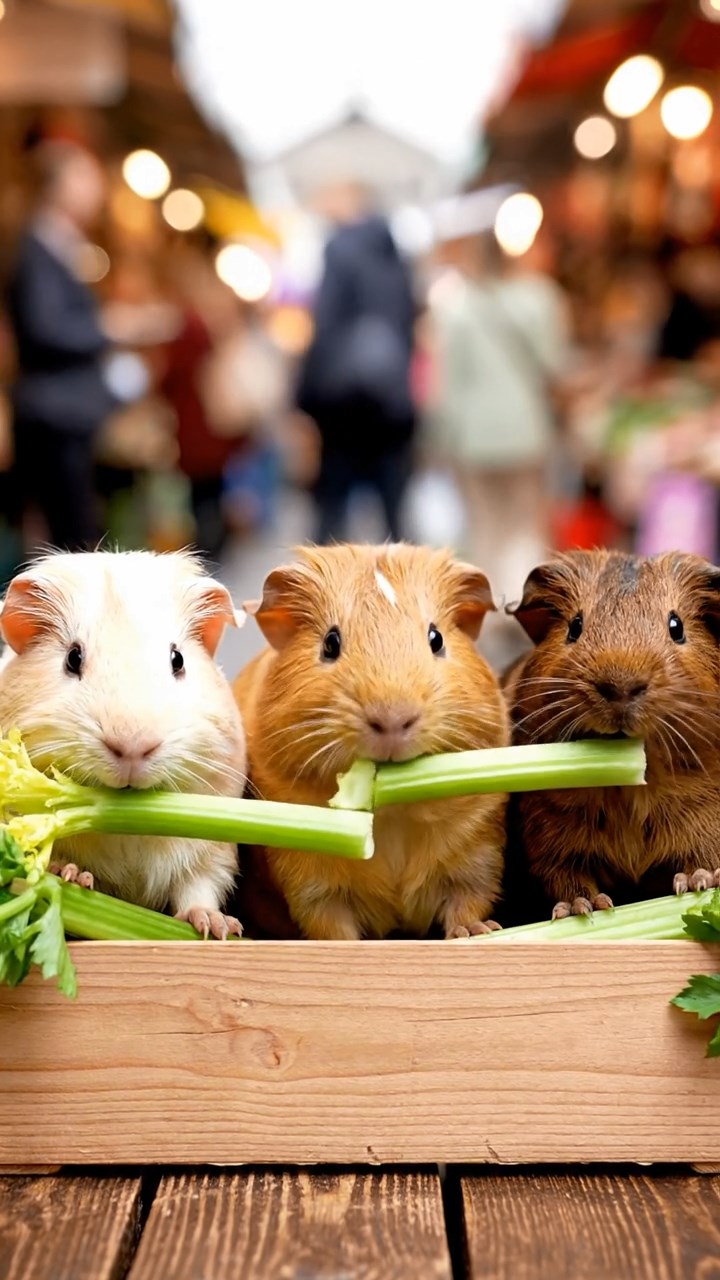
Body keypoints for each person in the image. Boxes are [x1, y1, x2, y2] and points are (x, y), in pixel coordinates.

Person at [426, 229, 570, 610]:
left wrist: (440, 441)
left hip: (472, 435)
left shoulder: (455, 307)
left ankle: (493, 608)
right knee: (525, 524)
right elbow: (556, 365)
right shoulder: (540, 298)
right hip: (526, 429)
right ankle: (523, 607)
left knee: (485, 526)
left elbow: (446, 385)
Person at [5, 139, 117, 552]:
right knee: (68, 540)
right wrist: (109, 330)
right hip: (54, 412)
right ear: (58, 185)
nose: (95, 187)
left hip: (65, 410)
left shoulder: (61, 245)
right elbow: (45, 328)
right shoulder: (39, 247)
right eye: (84, 176)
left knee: (74, 531)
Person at [295, 184, 417, 543]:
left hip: (341, 405)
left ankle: (326, 579)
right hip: (391, 402)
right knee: (394, 513)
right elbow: (408, 326)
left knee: (331, 511)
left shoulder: (338, 250)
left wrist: (303, 398)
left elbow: (324, 325)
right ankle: (404, 578)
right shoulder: (395, 256)